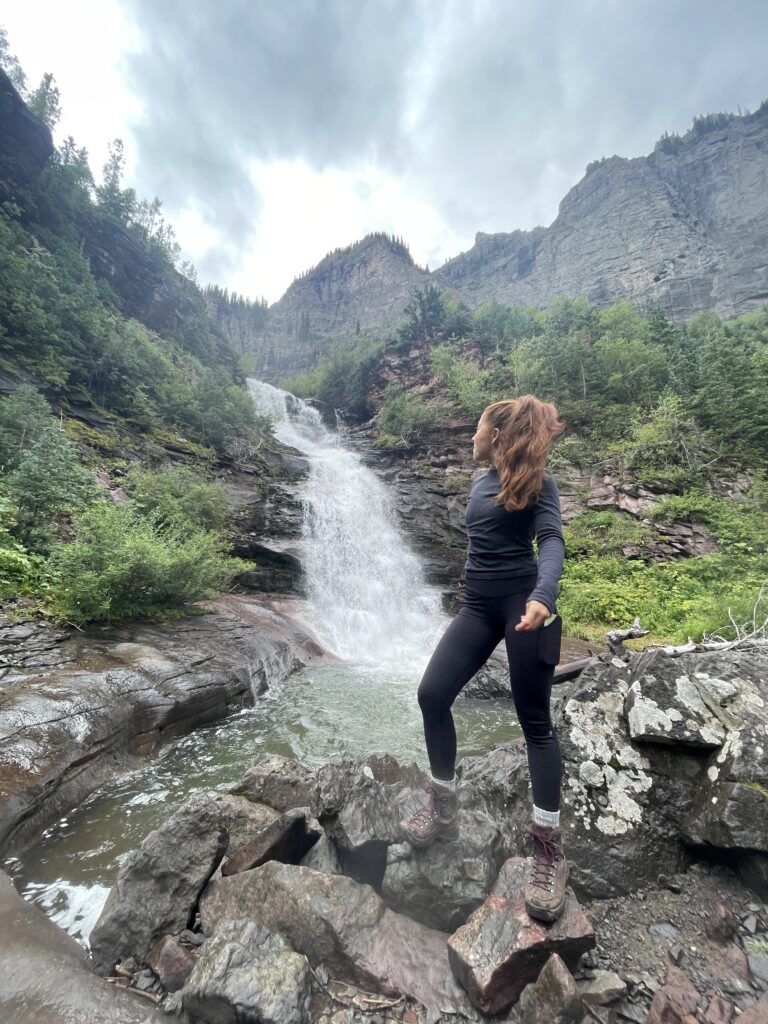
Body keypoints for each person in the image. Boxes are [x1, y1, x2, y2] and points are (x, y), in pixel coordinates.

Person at [399, 395, 568, 923]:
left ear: (496, 435)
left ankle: (547, 847)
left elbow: (552, 541)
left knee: (535, 721)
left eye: (475, 430)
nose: (468, 438)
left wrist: (544, 596)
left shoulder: (542, 484)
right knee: (431, 695)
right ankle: (444, 805)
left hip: (524, 605)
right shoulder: (478, 482)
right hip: (476, 605)